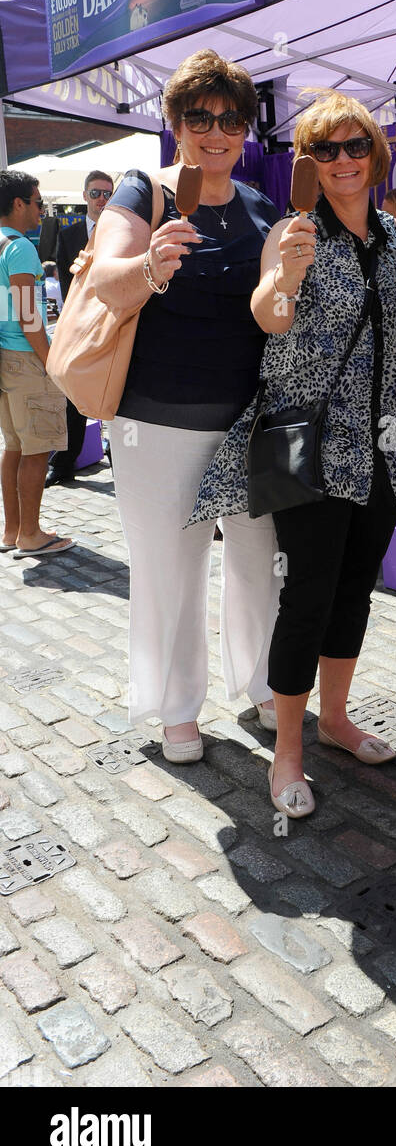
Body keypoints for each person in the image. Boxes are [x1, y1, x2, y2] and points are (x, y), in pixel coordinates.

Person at [189, 92, 396, 818]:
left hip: (384, 440)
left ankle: (339, 720)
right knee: (306, 596)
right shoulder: (294, 231)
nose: (343, 161)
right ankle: (287, 749)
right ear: (307, 163)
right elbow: (268, 314)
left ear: (375, 156)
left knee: (357, 588)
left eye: (355, 147)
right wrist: (285, 276)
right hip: (309, 442)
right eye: (326, 150)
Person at [88, 50, 283, 764]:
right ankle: (175, 707)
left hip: (247, 421)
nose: (215, 132)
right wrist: (147, 265)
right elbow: (105, 280)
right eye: (198, 117)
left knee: (258, 562)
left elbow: (274, 309)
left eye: (230, 119)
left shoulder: (262, 204)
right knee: (171, 569)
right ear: (173, 123)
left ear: (246, 130)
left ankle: (260, 682)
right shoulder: (147, 191)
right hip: (157, 419)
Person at [0, 171, 73, 557]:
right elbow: (30, 315)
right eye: (38, 202)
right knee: (36, 448)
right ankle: (30, 533)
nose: (42, 210)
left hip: (5, 357)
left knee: (14, 445)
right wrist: (51, 362)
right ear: (18, 204)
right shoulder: (22, 248)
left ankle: (13, 530)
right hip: (26, 359)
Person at [50, 171, 115, 485]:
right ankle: (64, 463)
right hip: (79, 323)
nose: (101, 199)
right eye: (95, 193)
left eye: (107, 194)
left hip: (115, 321)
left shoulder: (122, 231)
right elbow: (65, 280)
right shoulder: (70, 233)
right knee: (73, 394)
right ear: (85, 196)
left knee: (117, 392)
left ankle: (121, 461)